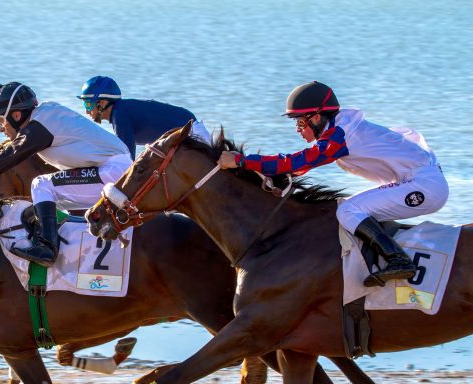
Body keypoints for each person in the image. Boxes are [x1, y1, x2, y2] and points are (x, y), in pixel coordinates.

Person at [218, 81, 449, 287]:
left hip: (423, 186)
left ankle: (398, 260)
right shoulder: (339, 129)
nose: (298, 128)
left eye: (300, 122)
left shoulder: (340, 136)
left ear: (317, 117)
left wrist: (241, 161)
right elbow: (298, 167)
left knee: (349, 210)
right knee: (351, 208)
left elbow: (297, 162)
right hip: (416, 180)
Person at [0, 82, 131, 267]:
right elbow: (2, 151)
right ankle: (66, 250)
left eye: (1, 120)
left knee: (41, 185)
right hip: (109, 171)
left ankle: (47, 250)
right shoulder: (40, 120)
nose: (0, 128)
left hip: (111, 172)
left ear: (16, 115)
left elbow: (6, 158)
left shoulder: (39, 127)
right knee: (40, 206)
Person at [77, 75, 210, 159]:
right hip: (189, 133)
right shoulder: (122, 111)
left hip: (191, 136)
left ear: (103, 103)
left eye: (88, 104)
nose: (87, 111)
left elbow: (126, 160)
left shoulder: (120, 114)